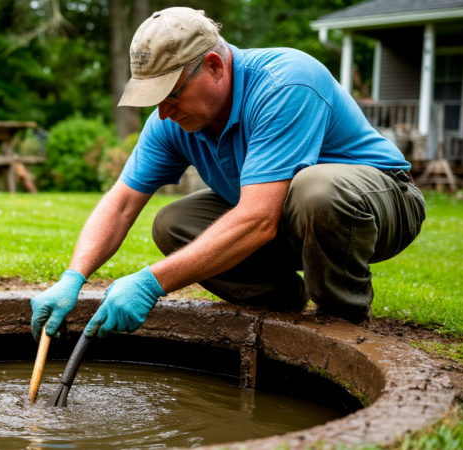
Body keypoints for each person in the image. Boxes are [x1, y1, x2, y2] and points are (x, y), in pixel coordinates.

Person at [30, 7, 425, 341]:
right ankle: (283, 305)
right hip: (285, 218)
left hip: (379, 203)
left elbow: (257, 219)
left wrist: (151, 283)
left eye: (170, 95)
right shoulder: (170, 121)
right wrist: (73, 277)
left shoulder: (285, 82)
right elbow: (120, 204)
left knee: (316, 190)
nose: (163, 112)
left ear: (215, 67)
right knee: (174, 223)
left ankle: (342, 324)